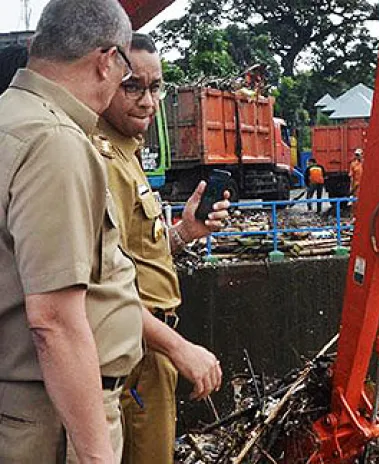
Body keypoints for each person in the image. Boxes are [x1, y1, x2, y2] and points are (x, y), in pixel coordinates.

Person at [0, 0, 140, 461]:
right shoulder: (54, 142)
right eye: (126, 68)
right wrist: (97, 455)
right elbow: (54, 322)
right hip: (52, 418)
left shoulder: (10, 119)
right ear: (106, 61)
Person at [99, 33, 227, 464]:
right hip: (134, 350)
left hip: (150, 348)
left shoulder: (127, 152)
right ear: (106, 78)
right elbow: (99, 290)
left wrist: (183, 233)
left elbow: (135, 253)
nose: (147, 101)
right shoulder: (100, 161)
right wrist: (176, 346)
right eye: (133, 86)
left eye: (156, 88)